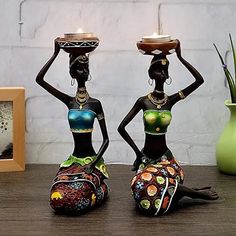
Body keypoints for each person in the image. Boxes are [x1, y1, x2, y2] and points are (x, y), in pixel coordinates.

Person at [118, 40, 218, 216]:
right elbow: (121, 128)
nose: (162, 73)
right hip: (147, 161)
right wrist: (137, 153)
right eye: (158, 69)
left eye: (165, 70)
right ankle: (191, 192)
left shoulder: (170, 101)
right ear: (151, 73)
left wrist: (180, 56)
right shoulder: (143, 101)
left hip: (166, 160)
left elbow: (199, 80)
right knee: (142, 186)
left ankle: (192, 193)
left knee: (159, 184)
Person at [36, 39, 109, 214]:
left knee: (78, 194)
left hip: (91, 161)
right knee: (58, 192)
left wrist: (94, 162)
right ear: (72, 72)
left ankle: (101, 190)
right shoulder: (69, 102)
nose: (83, 72)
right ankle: (97, 193)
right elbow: (40, 79)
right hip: (72, 161)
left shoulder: (95, 104)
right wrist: (55, 54)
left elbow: (106, 140)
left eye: (85, 68)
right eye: (78, 68)